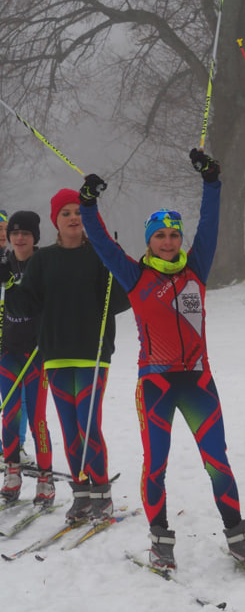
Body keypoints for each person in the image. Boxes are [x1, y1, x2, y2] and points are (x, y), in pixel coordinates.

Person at [78, 149, 245, 570]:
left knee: (218, 461)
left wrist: (211, 182)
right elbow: (103, 245)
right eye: (160, 236)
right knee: (155, 464)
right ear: (149, 242)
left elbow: (211, 224)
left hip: (198, 382)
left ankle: (238, 536)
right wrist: (88, 204)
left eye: (173, 235)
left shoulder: (195, 268)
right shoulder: (135, 276)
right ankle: (161, 540)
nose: (168, 242)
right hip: (156, 383)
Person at [2, 189, 129, 524]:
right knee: (71, 429)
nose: (73, 217)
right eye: (66, 213)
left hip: (92, 353)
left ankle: (101, 492)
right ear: (56, 221)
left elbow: (121, 299)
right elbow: (26, 305)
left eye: (78, 212)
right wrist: (10, 288)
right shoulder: (43, 261)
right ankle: (82, 494)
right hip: (56, 355)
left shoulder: (100, 254)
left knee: (89, 427)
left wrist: (117, 269)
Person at [0, 210, 54, 505]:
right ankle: (12, 472)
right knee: (10, 414)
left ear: (35, 238)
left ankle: (45, 477)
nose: (20, 238)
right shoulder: (4, 264)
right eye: (15, 233)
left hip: (37, 354)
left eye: (26, 234)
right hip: (8, 352)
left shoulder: (43, 263)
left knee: (37, 418)